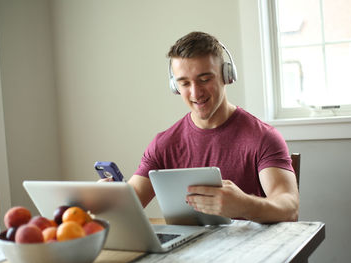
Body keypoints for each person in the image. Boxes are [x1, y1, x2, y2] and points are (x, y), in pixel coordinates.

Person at [102, 31, 299, 223]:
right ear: (174, 86)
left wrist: (244, 205)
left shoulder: (263, 137)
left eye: (205, 79)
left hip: (250, 253)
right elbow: (130, 204)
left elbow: (289, 208)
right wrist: (104, 199)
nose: (195, 93)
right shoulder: (164, 144)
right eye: (185, 83)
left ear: (226, 75)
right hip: (186, 254)